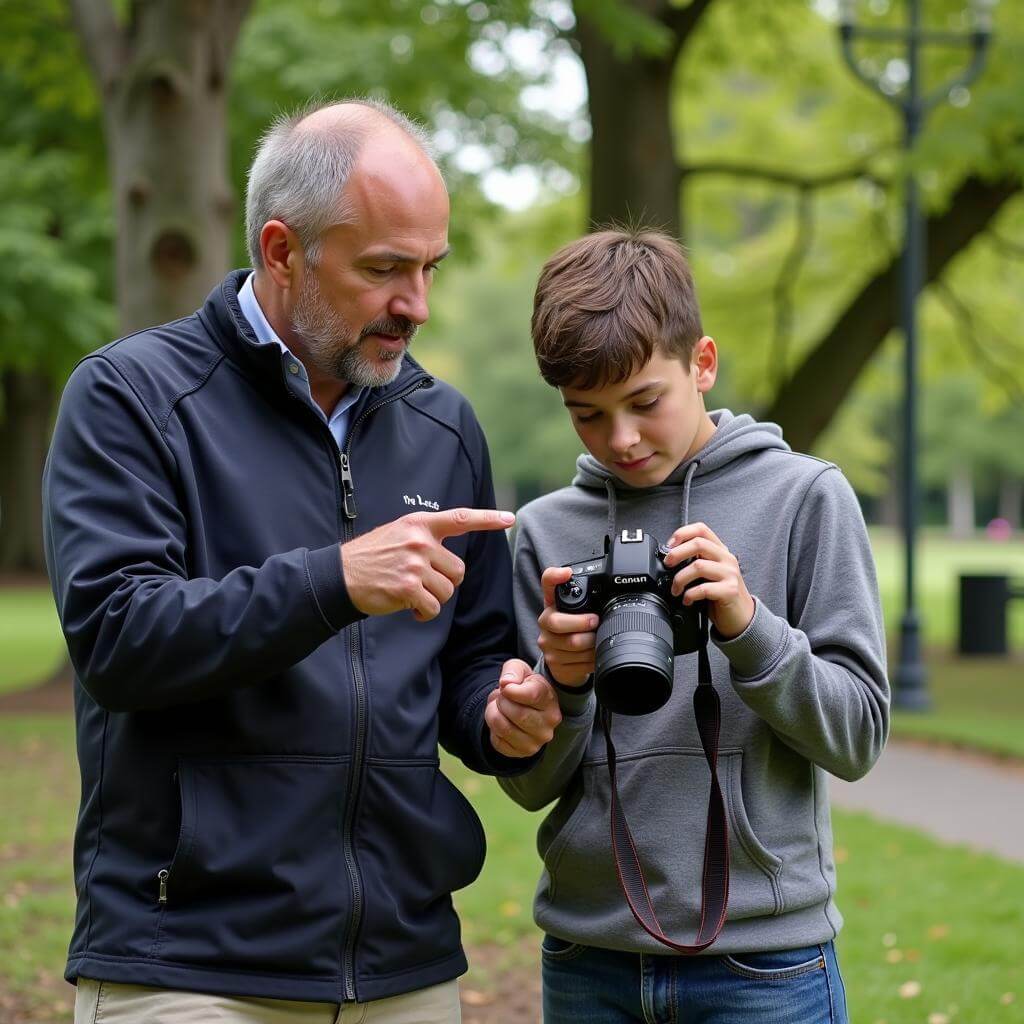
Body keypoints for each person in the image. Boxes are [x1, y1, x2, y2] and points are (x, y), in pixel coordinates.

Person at [43, 99, 561, 1024]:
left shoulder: (445, 428)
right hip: (186, 965)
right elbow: (118, 639)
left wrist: (504, 713)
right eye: (383, 270)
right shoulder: (132, 398)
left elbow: (471, 660)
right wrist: (336, 580)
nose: (417, 305)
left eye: (429, 268)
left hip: (405, 967)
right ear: (283, 252)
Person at [493, 228, 889, 1023]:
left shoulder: (805, 498)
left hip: (765, 964)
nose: (622, 440)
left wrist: (749, 627)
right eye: (587, 415)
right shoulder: (544, 531)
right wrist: (562, 688)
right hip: (587, 958)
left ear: (701, 364)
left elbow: (857, 740)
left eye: (644, 402)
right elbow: (529, 786)